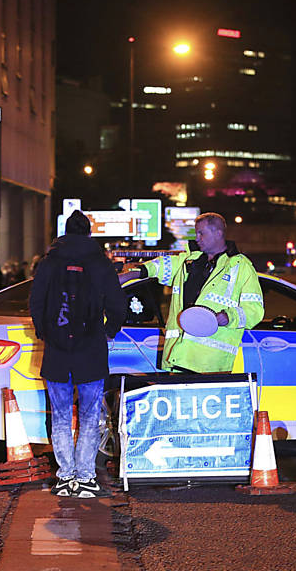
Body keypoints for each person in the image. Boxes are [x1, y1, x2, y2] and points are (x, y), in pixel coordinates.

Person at [30, 211, 126, 498]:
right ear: (89, 233)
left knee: (60, 416)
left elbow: (36, 302)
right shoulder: (100, 264)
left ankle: (65, 476)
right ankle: (85, 477)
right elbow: (118, 304)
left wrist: (44, 332)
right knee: (88, 416)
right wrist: (108, 332)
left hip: (57, 352)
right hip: (90, 350)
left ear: (65, 232)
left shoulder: (49, 263)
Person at [117, 212, 264, 374]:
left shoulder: (240, 266)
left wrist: (230, 316)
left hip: (210, 364)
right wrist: (128, 275)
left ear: (218, 233)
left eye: (202, 233)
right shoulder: (189, 261)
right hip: (179, 358)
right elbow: (158, 267)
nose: (197, 238)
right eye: (196, 233)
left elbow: (254, 309)